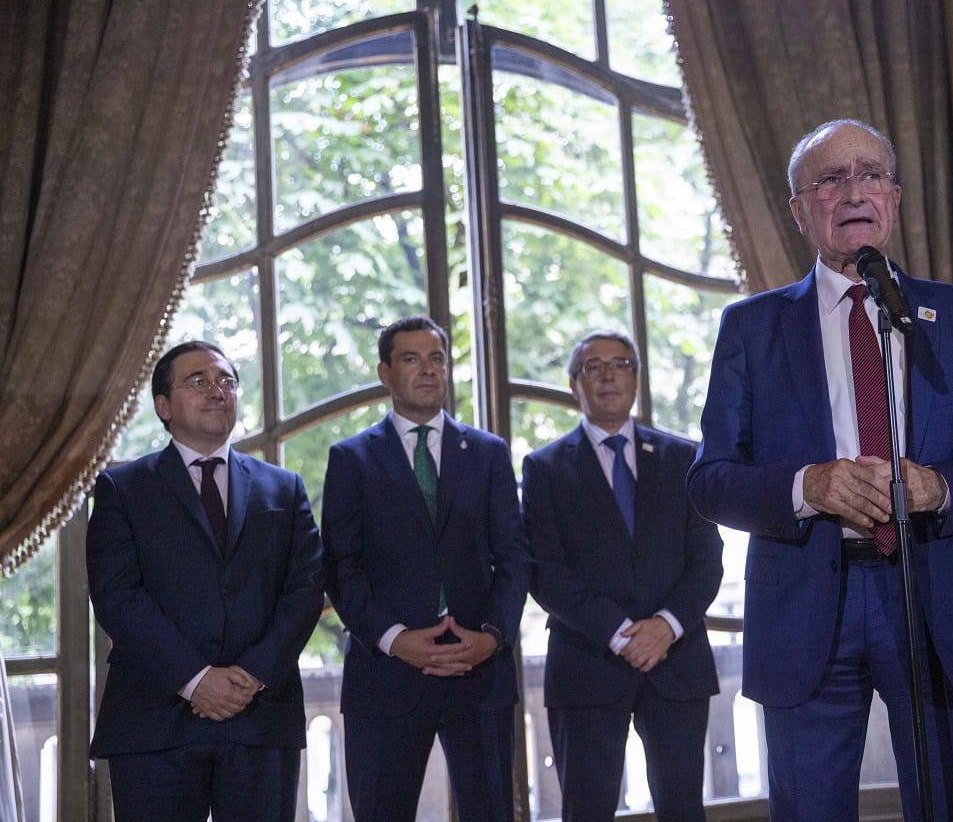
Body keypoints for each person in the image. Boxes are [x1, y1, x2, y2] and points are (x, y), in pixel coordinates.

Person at [687, 120, 953, 821]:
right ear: (798, 209)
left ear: (896, 198)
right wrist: (805, 487)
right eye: (831, 179)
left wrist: (940, 487)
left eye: (871, 174)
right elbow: (710, 478)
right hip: (808, 605)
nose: (855, 191)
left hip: (934, 597)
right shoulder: (751, 328)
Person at [87, 340, 324, 822]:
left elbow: (305, 590)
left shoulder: (284, 487)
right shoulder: (122, 488)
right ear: (163, 406)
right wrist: (195, 681)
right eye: (198, 381)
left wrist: (250, 676)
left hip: (261, 717)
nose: (217, 390)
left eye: (226, 381)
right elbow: (117, 598)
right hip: (154, 721)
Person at [321, 315, 529, 821]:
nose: (428, 370)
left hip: (479, 673)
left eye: (437, 358)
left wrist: (492, 637)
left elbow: (515, 558)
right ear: (384, 373)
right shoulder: (351, 459)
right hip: (386, 676)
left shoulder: (487, 453)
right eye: (411, 359)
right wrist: (394, 638)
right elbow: (341, 567)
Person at [522, 331, 723, 821]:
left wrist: (666, 626)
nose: (609, 374)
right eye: (594, 367)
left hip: (677, 662)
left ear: (636, 377)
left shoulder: (682, 458)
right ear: (575, 384)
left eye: (621, 364)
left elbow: (707, 558)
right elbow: (544, 571)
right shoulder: (543, 468)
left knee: (683, 809)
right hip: (588, 663)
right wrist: (620, 634)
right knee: (587, 810)